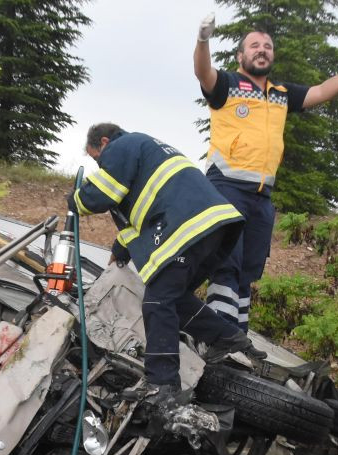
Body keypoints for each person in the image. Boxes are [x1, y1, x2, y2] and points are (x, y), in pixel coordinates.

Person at [73, 123, 266, 410]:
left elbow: (101, 195)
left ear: (104, 141)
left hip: (187, 227)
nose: (100, 166)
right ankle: (229, 338)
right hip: (212, 228)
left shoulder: (121, 147)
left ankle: (162, 384)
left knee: (157, 302)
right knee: (173, 299)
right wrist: (118, 252)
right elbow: (135, 211)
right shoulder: (146, 150)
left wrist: (74, 198)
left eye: (96, 159)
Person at [193, 15, 338, 328]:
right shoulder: (228, 84)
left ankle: (237, 338)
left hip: (262, 196)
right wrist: (203, 40)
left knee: (248, 270)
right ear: (240, 56)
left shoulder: (281, 93)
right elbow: (203, 72)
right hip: (227, 187)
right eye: (254, 46)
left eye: (268, 47)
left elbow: (318, 92)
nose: (262, 51)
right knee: (227, 264)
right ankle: (218, 334)